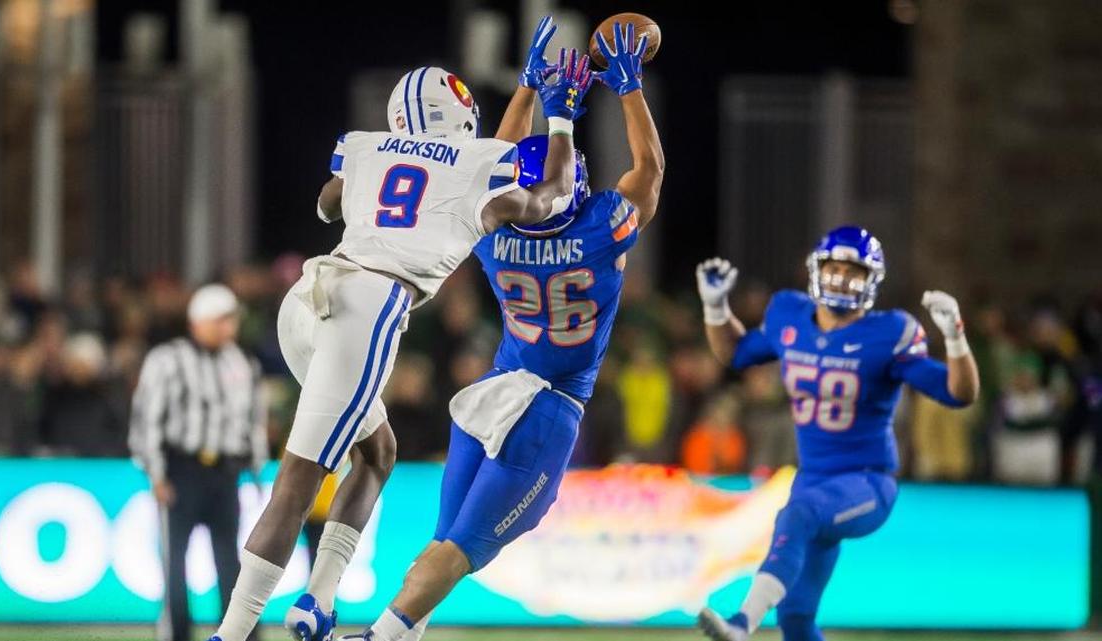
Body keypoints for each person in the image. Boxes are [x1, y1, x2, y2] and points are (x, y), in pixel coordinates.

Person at [208, 40, 594, 641]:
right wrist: (562, 115)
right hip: (367, 309)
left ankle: (318, 600)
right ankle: (229, 635)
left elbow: (326, 205)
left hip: (306, 304)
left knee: (377, 452)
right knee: (296, 485)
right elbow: (549, 200)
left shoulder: (363, 146)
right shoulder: (480, 163)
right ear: (461, 119)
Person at [343, 18, 663, 641]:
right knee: (460, 551)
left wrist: (525, 90)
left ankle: (398, 633)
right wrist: (629, 88)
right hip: (548, 408)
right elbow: (649, 170)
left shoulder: (494, 232)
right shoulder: (600, 230)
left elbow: (487, 162)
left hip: (491, 393)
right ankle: (379, 636)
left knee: (443, 547)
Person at [694, 226, 980, 641]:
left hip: (867, 484)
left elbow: (958, 393)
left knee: (797, 515)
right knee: (795, 616)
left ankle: (741, 624)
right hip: (813, 482)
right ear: (815, 270)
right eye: (835, 268)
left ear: (872, 281)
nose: (843, 279)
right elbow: (736, 352)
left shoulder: (888, 334)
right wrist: (716, 308)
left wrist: (955, 338)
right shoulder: (789, 315)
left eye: (854, 271)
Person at [128, 284, 268, 641]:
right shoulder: (168, 359)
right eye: (221, 320)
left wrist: (254, 470)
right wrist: (156, 473)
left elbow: (253, 421)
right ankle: (176, 634)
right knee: (175, 561)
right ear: (198, 321)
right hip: (182, 470)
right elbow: (147, 418)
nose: (228, 327)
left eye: (230, 320)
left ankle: (239, 634)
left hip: (224, 472)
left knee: (231, 561)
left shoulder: (242, 362)